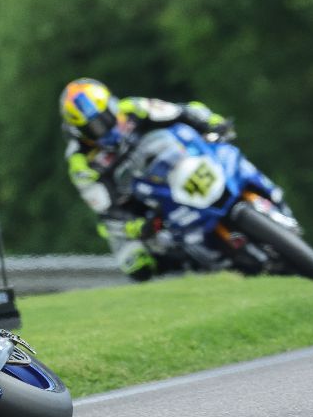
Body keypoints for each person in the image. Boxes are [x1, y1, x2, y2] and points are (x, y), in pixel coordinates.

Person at [59, 77, 255, 281]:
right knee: (137, 264)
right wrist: (137, 226)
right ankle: (195, 274)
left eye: (107, 115)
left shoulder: (133, 108)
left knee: (226, 154)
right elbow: (106, 209)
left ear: (112, 103)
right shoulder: (80, 161)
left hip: (175, 168)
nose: (105, 126)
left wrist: (213, 123)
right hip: (137, 202)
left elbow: (182, 112)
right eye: (95, 126)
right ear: (79, 131)